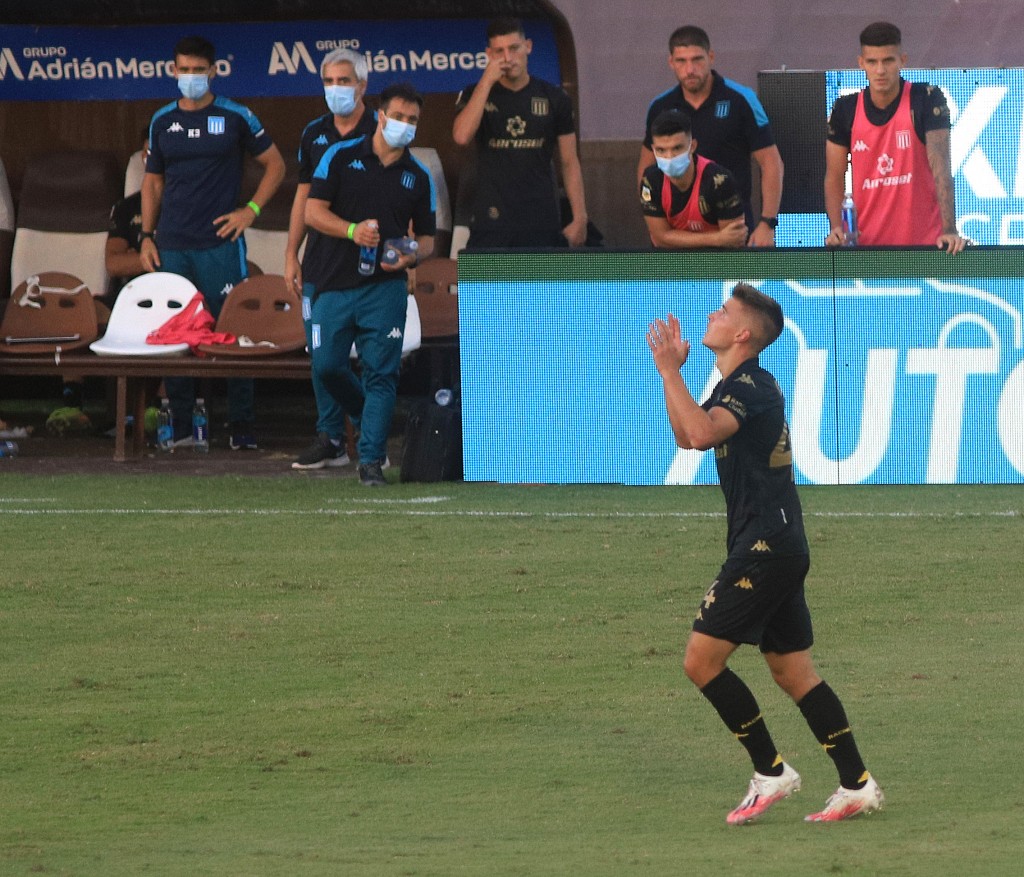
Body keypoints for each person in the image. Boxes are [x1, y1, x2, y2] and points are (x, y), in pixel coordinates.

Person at [646, 283, 884, 825]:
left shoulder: (750, 386)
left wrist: (669, 371)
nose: (713, 314)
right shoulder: (740, 384)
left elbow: (700, 434)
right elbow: (687, 435)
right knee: (794, 673)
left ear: (742, 334)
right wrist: (671, 375)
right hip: (778, 541)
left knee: (700, 662)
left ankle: (771, 771)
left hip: (765, 546)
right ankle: (857, 784)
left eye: (724, 311)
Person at [140, 34, 286, 449]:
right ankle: (182, 427)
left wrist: (250, 211)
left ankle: (241, 426)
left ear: (214, 71)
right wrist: (146, 236)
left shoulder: (236, 115)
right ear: (173, 71)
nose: (191, 77)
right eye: (184, 70)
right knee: (175, 331)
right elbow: (152, 183)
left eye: (198, 70)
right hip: (172, 244)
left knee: (233, 328)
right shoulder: (161, 120)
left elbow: (276, 165)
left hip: (220, 243)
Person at [299, 82, 435, 486]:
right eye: (399, 116)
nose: (405, 125)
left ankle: (371, 460)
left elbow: (427, 238)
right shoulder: (340, 156)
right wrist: (352, 230)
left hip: (385, 286)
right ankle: (364, 415)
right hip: (332, 280)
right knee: (326, 366)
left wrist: (412, 253)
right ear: (381, 115)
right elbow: (312, 212)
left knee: (382, 374)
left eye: (413, 120)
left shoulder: (418, 175)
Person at [287, 47, 378, 471]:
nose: (336, 89)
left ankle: (370, 433)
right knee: (323, 359)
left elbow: (404, 191)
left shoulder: (382, 129)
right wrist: (291, 252)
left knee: (373, 359)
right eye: (329, 81)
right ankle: (331, 438)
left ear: (362, 85)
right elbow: (303, 196)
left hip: (368, 261)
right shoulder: (314, 132)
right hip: (320, 262)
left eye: (344, 81)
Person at [824, 22, 966, 252]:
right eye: (872, 62)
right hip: (867, 249)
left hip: (926, 247)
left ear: (902, 60)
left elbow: (941, 166)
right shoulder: (845, 109)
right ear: (861, 63)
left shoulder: (926, 99)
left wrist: (950, 229)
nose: (880, 70)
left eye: (888, 60)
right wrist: (837, 228)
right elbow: (833, 175)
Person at [638, 26, 784, 247]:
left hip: (732, 226)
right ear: (671, 62)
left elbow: (771, 163)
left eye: (697, 59)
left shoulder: (742, 99)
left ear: (711, 57)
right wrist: (655, 222)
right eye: (681, 61)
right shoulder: (660, 106)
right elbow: (646, 168)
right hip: (677, 234)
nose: (690, 69)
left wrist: (767, 223)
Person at [452, 17, 588, 249]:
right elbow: (462, 136)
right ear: (489, 54)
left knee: (541, 275)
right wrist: (486, 82)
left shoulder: (555, 97)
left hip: (541, 219)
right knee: (485, 275)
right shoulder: (474, 93)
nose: (508, 57)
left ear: (528, 46)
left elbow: (569, 160)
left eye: (514, 48)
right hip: (491, 220)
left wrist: (580, 216)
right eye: (499, 51)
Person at [640, 110, 747, 249]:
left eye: (677, 148)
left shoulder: (719, 181)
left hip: (717, 261)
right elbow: (661, 238)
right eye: (661, 150)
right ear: (653, 149)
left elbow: (733, 240)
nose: (669, 156)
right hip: (669, 261)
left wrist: (674, 238)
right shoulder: (650, 181)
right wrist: (716, 238)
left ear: (692, 146)